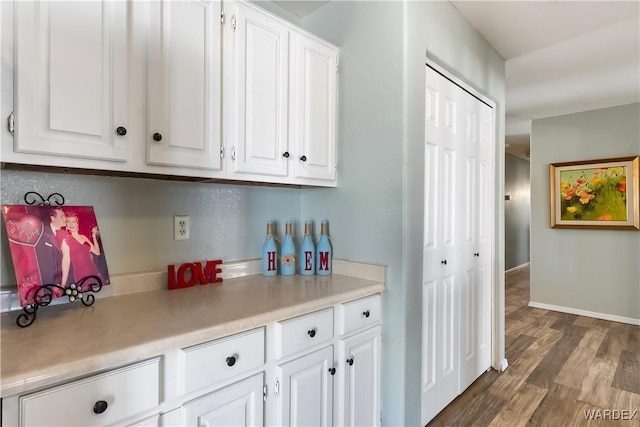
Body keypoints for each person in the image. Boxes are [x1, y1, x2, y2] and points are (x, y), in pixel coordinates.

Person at [34, 207, 71, 295]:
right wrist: (53, 284)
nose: (65, 219)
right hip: (48, 282)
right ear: (53, 218)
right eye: (62, 216)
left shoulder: (65, 234)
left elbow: (66, 259)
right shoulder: (42, 232)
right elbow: (42, 261)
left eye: (65, 216)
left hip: (64, 280)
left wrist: (62, 284)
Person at [63, 212, 102, 288]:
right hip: (80, 274)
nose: (71, 224)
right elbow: (66, 261)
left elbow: (97, 252)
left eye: (73, 221)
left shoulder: (84, 237)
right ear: (66, 225)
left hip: (93, 271)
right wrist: (63, 284)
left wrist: (93, 236)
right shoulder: (66, 240)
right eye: (68, 221)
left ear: (77, 224)